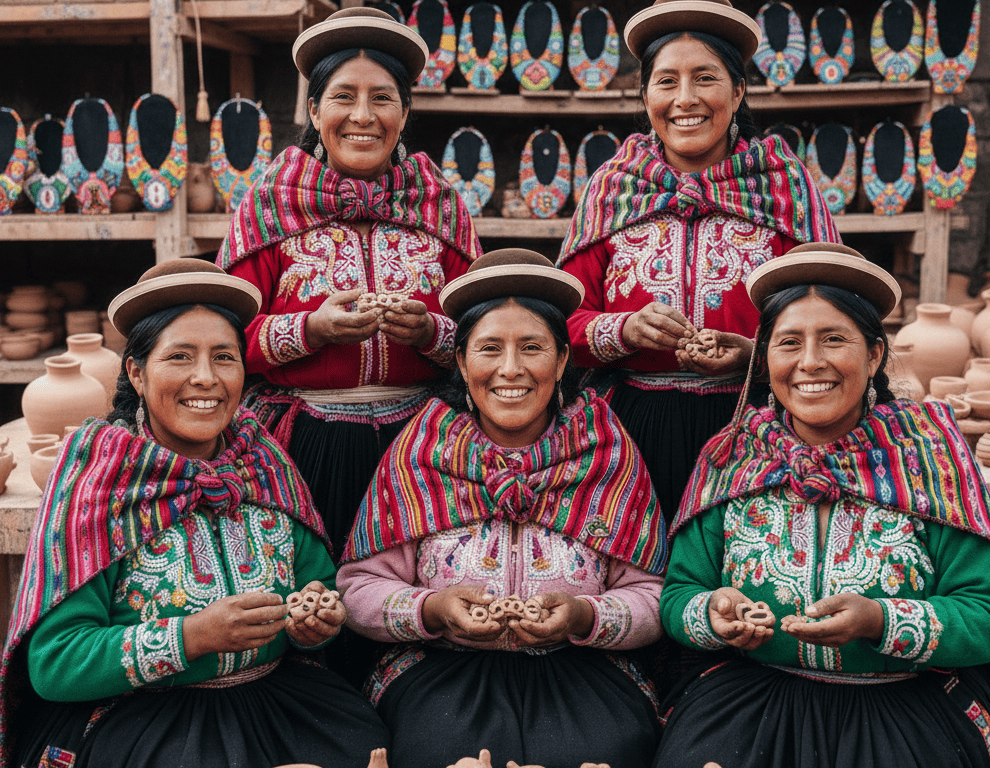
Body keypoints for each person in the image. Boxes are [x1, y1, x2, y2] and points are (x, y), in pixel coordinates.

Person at [0, 259, 391, 768]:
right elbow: (55, 662)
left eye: (224, 357)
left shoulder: (262, 459)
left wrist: (318, 618)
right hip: (142, 718)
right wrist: (192, 637)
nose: (205, 379)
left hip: (276, 700)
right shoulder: (101, 478)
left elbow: (318, 585)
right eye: (180, 357)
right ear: (137, 372)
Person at [657, 242, 990, 768]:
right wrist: (714, 614)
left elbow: (987, 617)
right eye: (789, 343)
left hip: (906, 712)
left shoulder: (928, 456)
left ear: (874, 354)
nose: (810, 362)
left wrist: (878, 619)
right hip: (752, 706)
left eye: (834, 339)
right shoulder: (732, 455)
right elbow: (678, 596)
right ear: (764, 359)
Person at [337, 250, 667, 768]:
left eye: (531, 347)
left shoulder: (606, 449)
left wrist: (584, 615)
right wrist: (433, 609)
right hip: (440, 670)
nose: (510, 369)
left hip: (582, 668)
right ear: (462, 363)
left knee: (602, 752)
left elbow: (652, 594)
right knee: (436, 751)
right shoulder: (422, 449)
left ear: (561, 361)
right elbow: (356, 588)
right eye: (489, 348)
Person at [557, 0, 841, 517]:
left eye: (705, 78)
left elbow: (832, 317)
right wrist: (623, 331)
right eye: (666, 82)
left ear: (737, 91)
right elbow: (559, 322)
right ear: (645, 96)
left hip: (757, 431)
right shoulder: (613, 189)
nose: (685, 100)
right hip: (628, 435)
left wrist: (753, 355)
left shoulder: (784, 187)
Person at [218, 7, 484, 553]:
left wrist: (429, 332)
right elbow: (221, 341)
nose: (362, 115)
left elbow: (488, 331)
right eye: (343, 96)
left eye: (382, 98)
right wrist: (310, 330)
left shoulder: (440, 204)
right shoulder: (268, 204)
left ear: (405, 112)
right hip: (301, 448)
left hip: (426, 449)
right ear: (315, 110)